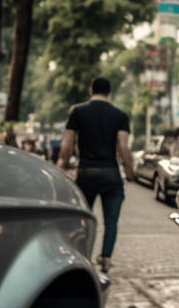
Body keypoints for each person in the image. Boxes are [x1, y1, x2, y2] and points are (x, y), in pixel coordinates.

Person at [58, 76, 135, 274]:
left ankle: (83, 256)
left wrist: (62, 164)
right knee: (111, 220)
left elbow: (67, 143)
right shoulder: (120, 115)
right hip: (111, 174)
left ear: (91, 90)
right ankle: (106, 259)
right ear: (109, 92)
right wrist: (128, 168)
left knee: (84, 217)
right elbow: (123, 146)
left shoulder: (77, 111)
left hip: (86, 173)